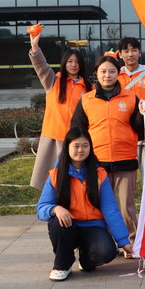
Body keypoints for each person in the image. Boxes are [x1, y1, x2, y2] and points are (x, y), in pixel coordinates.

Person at [37, 127, 132, 281]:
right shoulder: (56, 175)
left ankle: (86, 259)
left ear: (90, 147)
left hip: (93, 226)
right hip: (68, 225)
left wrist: (123, 241)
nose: (80, 150)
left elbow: (110, 209)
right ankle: (62, 265)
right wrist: (55, 208)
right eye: (76, 146)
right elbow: (41, 208)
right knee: (56, 223)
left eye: (85, 146)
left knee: (107, 252)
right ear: (67, 147)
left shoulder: (99, 174)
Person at [70, 55, 143, 252]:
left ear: (118, 73)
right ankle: (103, 244)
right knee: (96, 206)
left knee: (126, 206)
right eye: (103, 71)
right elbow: (77, 130)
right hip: (96, 162)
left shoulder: (131, 98)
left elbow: (141, 129)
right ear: (96, 74)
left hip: (125, 160)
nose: (107, 75)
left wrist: (143, 114)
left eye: (111, 71)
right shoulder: (86, 99)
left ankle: (130, 243)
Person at [28, 32, 92, 190]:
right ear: (64, 63)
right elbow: (41, 67)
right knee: (53, 181)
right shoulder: (53, 81)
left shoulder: (90, 88)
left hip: (77, 140)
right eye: (70, 61)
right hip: (54, 137)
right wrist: (35, 47)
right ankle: (52, 203)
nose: (73, 65)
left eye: (77, 62)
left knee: (75, 181)